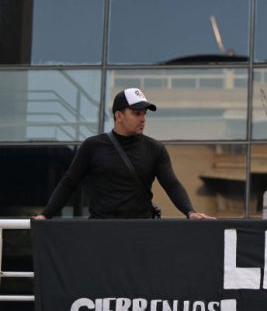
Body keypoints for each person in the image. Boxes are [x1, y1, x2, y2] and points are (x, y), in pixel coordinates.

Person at [34, 88, 213, 220]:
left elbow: (172, 185)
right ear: (119, 116)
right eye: (136, 113)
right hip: (101, 233)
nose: (142, 118)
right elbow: (69, 183)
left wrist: (190, 212)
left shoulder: (155, 149)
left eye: (144, 113)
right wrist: (45, 215)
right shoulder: (92, 146)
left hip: (139, 232)